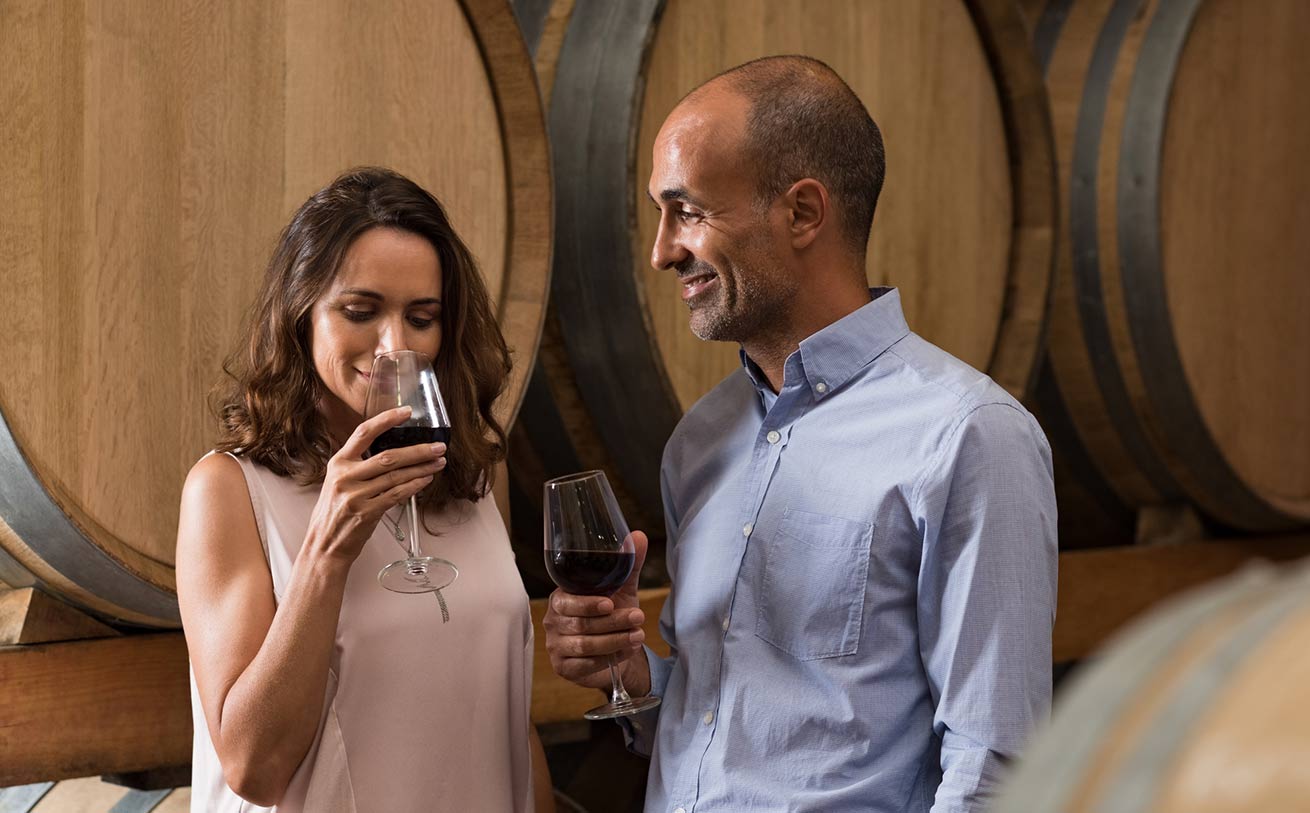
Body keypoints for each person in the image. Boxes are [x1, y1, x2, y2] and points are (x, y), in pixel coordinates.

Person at [542, 56, 1057, 811]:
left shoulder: (968, 437)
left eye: (686, 210)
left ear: (803, 213)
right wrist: (629, 669)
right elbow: (720, 718)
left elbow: (994, 765)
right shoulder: (699, 441)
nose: (660, 251)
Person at [177, 167, 554, 812]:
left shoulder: (473, 478)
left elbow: (507, 722)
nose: (394, 346)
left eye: (421, 318)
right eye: (360, 311)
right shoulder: (230, 490)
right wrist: (326, 551)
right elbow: (253, 766)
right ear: (302, 315)